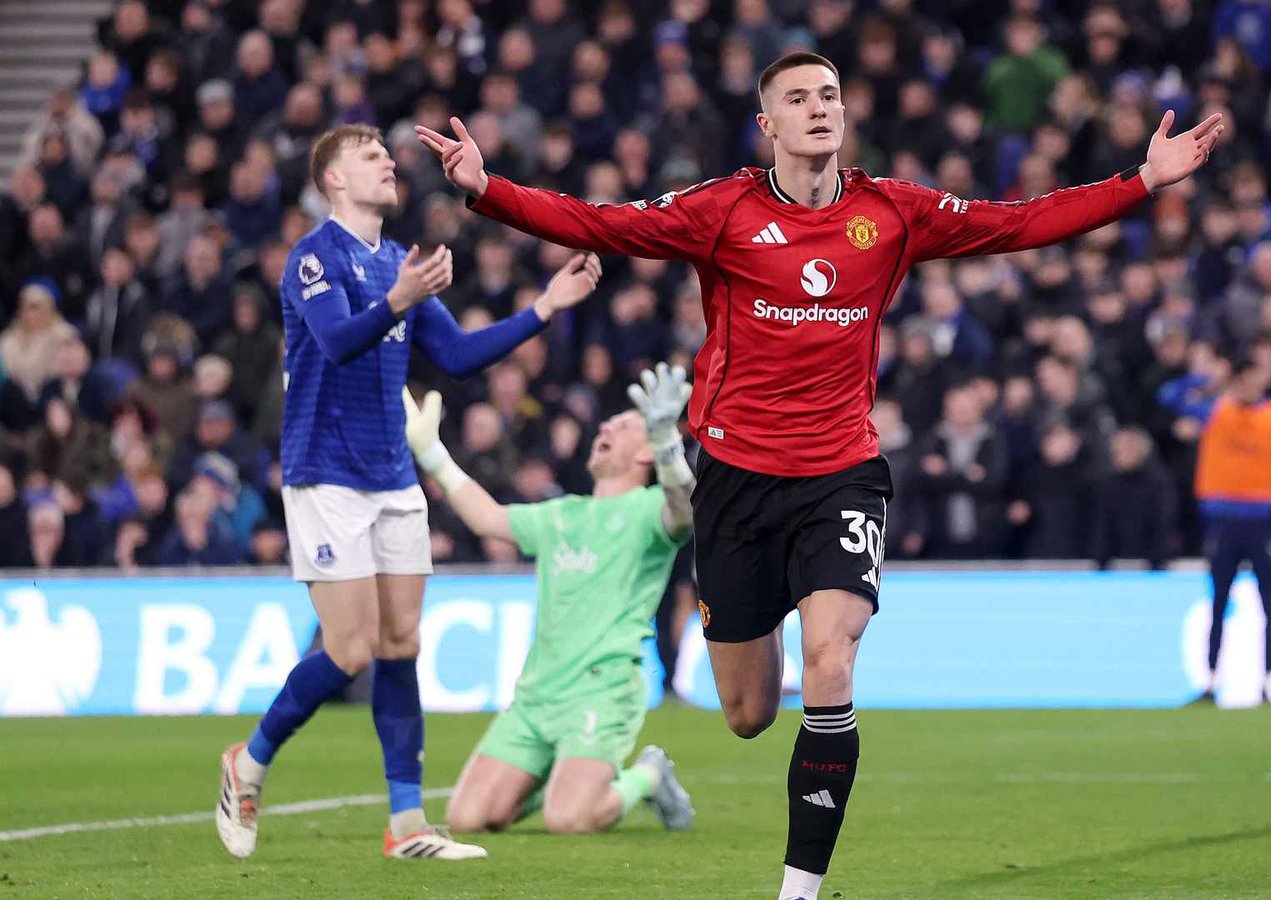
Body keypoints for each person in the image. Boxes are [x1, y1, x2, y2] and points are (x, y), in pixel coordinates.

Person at [417, 51, 1223, 899]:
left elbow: (1016, 222)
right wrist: (487, 189)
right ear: (767, 124)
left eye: (829, 95)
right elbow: (602, 223)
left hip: (842, 472)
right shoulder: (721, 210)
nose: (817, 109)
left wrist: (1140, 182)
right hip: (733, 480)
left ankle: (798, 891)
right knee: (747, 714)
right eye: (797, 99)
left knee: (830, 661)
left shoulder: (892, 212)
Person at [214, 123, 603, 863]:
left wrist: (545, 307)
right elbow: (335, 342)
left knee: (401, 643)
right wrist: (398, 298)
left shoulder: (400, 261)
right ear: (333, 180)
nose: (390, 164)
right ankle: (250, 760)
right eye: (371, 157)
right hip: (324, 472)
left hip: (393, 474)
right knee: (351, 646)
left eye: (388, 157)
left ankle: (406, 824)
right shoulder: (313, 259)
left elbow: (455, 356)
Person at [401, 365, 695, 836]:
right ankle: (564, 777)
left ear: (643, 452)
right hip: (538, 693)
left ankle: (648, 774)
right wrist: (433, 454)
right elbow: (488, 518)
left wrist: (667, 444)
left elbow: (684, 510)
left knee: (569, 819)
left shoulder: (647, 511)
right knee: (468, 818)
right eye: (607, 423)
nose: (604, 427)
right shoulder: (562, 514)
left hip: (602, 688)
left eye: (621, 426)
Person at [1160, 353, 1271, 706]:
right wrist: (1205, 380)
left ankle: (1267, 684)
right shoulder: (1217, 409)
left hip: (1262, 520)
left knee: (1268, 604)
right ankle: (1211, 681)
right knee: (1218, 602)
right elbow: (1168, 397)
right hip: (1223, 519)